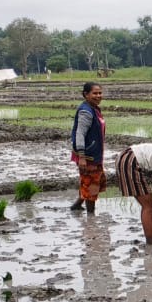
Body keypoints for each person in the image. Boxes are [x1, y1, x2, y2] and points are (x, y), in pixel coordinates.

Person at [68, 82, 106, 214]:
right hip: (88, 156)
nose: (98, 96)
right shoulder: (86, 111)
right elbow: (80, 133)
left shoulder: (93, 108)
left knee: (89, 182)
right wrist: (82, 156)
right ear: (86, 94)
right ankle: (91, 217)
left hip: (94, 153)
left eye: (100, 93)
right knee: (91, 186)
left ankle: (77, 205)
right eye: (95, 93)